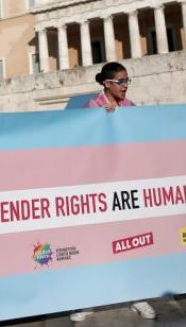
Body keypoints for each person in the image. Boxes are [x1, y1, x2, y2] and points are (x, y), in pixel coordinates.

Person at [70, 63, 157, 322]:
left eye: (128, 80)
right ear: (107, 83)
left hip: (126, 187)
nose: (125, 85)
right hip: (98, 187)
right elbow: (80, 143)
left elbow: (142, 139)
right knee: (95, 245)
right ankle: (89, 300)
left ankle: (138, 296)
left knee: (133, 242)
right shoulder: (90, 109)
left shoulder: (130, 108)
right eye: (121, 81)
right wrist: (103, 120)